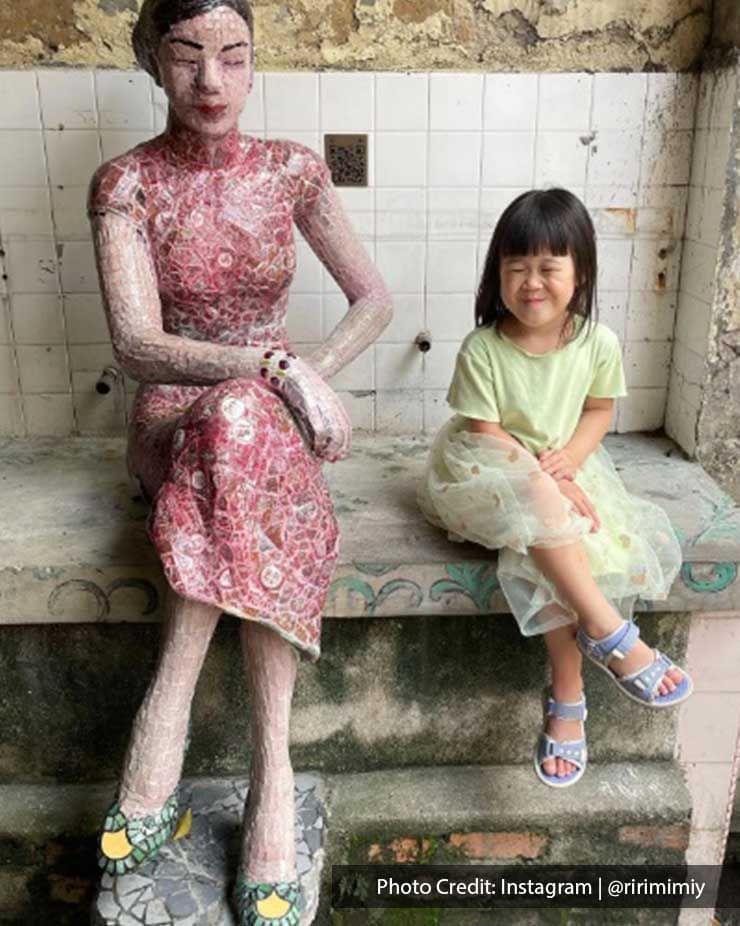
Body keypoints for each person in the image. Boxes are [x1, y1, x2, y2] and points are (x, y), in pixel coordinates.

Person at [88, 0, 392, 921]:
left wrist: (308, 377)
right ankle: (275, 772)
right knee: (229, 423)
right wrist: (271, 368)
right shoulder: (127, 183)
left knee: (245, 431)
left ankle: (166, 730)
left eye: (232, 56)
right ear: (151, 61)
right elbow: (139, 344)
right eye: (186, 56)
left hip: (272, 420)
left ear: (255, 63)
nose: (210, 80)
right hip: (178, 414)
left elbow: (373, 300)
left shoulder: (292, 170)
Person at [418, 188, 691, 789]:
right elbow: (486, 432)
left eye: (548, 268)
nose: (531, 283)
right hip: (486, 464)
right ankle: (611, 637)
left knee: (560, 546)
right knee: (543, 514)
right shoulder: (483, 348)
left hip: (562, 462)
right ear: (498, 275)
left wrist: (568, 461)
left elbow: (598, 411)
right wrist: (543, 481)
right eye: (516, 268)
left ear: (581, 273)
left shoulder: (598, 342)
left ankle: (569, 699)